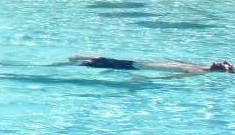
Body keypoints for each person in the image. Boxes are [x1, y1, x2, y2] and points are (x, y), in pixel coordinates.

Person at [70, 54, 235, 75]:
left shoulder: (198, 72)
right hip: (138, 63)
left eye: (226, 64)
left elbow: (173, 78)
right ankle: (71, 60)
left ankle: (54, 66)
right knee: (97, 59)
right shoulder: (198, 65)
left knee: (88, 63)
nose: (224, 62)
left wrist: (146, 81)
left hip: (136, 67)